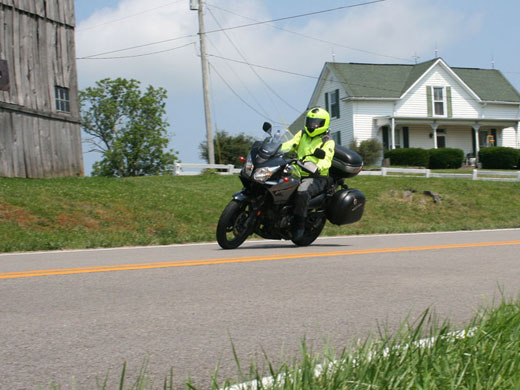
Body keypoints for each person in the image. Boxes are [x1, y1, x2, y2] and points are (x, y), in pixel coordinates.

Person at [281, 107, 335, 240]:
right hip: (298, 172)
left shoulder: (327, 141)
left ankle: (299, 224)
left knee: (303, 191)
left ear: (323, 124)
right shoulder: (302, 134)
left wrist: (316, 167)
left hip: (317, 176)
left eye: (316, 123)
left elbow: (327, 160)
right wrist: (276, 148)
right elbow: (290, 144)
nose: (312, 125)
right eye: (310, 122)